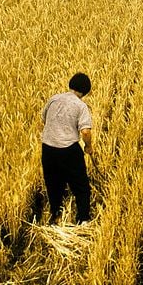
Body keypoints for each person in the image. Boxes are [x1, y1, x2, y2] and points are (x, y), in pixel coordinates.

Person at [41, 72, 95, 223]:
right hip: (68, 150)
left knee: (53, 183)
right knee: (81, 186)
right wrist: (88, 147)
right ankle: (83, 219)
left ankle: (56, 214)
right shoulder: (80, 105)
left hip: (48, 149)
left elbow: (44, 119)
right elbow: (85, 131)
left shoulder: (54, 99)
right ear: (85, 92)